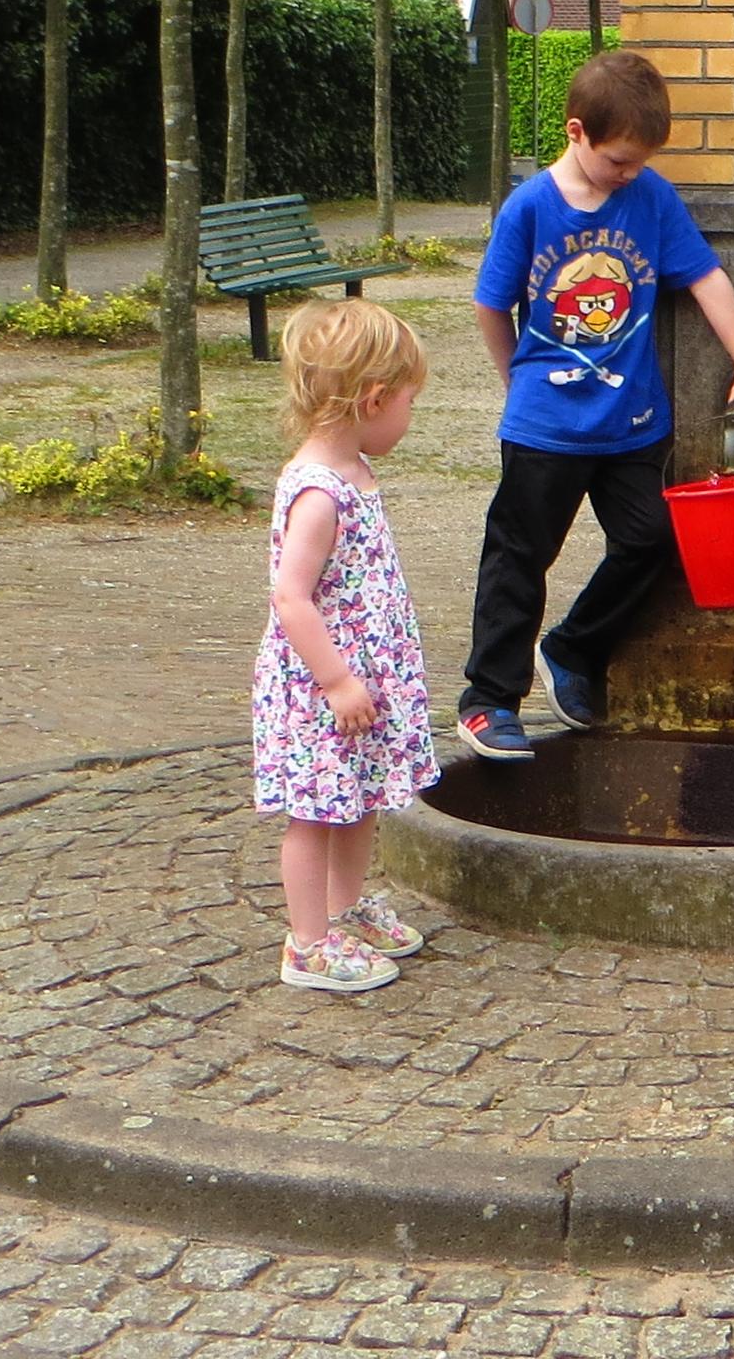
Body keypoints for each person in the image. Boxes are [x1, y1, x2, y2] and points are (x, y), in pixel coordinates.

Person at [462, 47, 734, 758]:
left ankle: (573, 650)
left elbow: (706, 278)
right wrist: (516, 382)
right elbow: (491, 305)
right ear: (577, 133)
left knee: (653, 541)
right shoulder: (529, 209)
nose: (630, 173)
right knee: (518, 558)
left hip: (632, 424)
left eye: (639, 161)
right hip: (544, 426)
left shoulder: (651, 197)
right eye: (618, 160)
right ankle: (489, 700)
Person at [253, 298, 442, 993]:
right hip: (322, 686)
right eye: (410, 402)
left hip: (365, 678)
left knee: (358, 796)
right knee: (313, 812)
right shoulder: (319, 494)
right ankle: (307, 944)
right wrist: (336, 680)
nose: (410, 417)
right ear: (373, 399)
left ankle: (344, 907)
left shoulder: (356, 473)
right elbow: (290, 597)